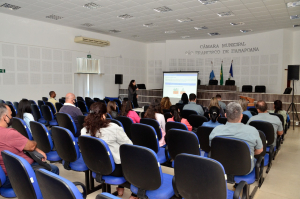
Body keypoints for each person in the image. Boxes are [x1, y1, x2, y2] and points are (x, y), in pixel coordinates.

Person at [81, 102, 134, 198]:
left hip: (94, 166)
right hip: (115, 170)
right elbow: (129, 147)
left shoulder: (84, 130)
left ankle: (120, 188)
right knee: (137, 160)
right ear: (104, 115)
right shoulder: (114, 128)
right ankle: (134, 194)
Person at [0, 103, 59, 189]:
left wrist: (36, 149)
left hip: (7, 173)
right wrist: (35, 143)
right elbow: (31, 146)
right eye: (10, 115)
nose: (12, 117)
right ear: (5, 117)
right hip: (17, 174)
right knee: (53, 169)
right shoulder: (9, 133)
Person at [209, 102, 263, 173]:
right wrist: (244, 153)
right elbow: (259, 150)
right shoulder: (253, 131)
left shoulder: (216, 130)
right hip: (244, 168)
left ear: (225, 115)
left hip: (220, 167)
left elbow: (212, 147)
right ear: (241, 116)